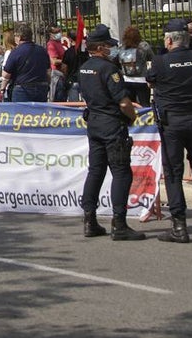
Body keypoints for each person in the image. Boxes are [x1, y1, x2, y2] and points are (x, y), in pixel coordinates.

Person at [147, 18, 192, 243]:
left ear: (168, 40)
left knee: (174, 173)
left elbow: (150, 81)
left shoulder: (160, 62)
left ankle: (179, 225)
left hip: (173, 124)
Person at [77, 24, 145, 241]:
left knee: (95, 171)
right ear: (101, 47)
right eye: (108, 46)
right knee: (121, 172)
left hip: (94, 123)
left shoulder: (84, 67)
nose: (111, 49)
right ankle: (120, 223)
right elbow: (124, 102)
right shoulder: (109, 69)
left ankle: (89, 220)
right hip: (111, 124)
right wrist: (134, 117)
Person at [0, 23, 51, 102]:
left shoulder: (16, 52)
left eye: (15, 36)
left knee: (21, 114)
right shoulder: (42, 50)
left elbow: (6, 74)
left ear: (19, 37)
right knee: (40, 113)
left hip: (22, 90)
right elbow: (48, 72)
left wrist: (2, 88)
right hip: (41, 88)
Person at [117, 25, 153, 107]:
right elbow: (152, 58)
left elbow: (115, 62)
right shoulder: (144, 46)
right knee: (145, 105)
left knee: (131, 105)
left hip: (126, 80)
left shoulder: (121, 48)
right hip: (141, 80)